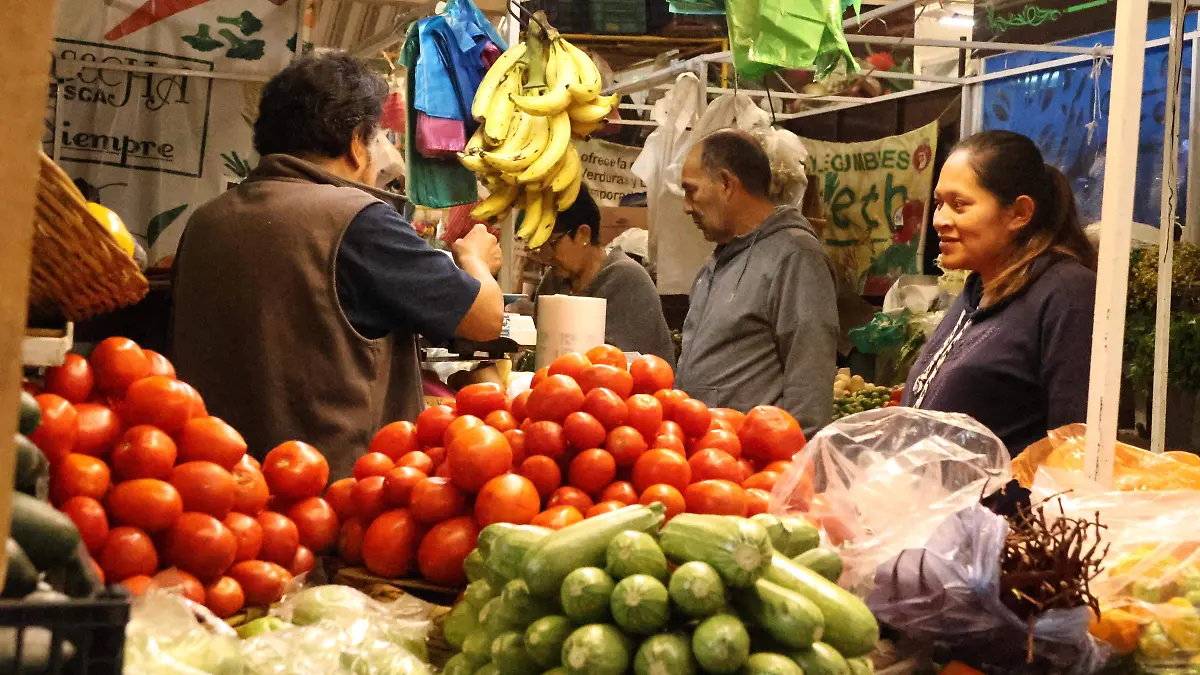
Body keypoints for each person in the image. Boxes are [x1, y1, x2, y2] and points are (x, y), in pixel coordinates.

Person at [171, 52, 504, 479]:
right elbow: (484, 318)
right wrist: (473, 257)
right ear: (354, 142)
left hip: (215, 489)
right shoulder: (356, 218)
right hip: (326, 496)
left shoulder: (207, 219)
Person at [902, 130, 1097, 456]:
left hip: (1007, 506)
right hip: (935, 503)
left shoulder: (1066, 294)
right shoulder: (978, 290)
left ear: (1019, 213)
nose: (939, 220)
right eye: (939, 204)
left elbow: (1073, 447)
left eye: (959, 205)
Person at [674, 129, 839, 438]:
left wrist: (794, 468)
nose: (685, 206)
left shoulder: (796, 257)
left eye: (690, 190)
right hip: (710, 461)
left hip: (755, 468)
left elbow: (810, 385)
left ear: (726, 184)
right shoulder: (718, 261)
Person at [532, 186, 675, 365]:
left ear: (583, 234)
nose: (545, 256)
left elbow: (628, 369)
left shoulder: (627, 281)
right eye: (538, 247)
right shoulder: (551, 284)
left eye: (552, 244)